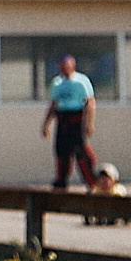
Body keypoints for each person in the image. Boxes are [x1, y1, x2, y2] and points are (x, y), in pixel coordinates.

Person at [43, 54, 101, 190]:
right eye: (61, 67)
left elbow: (90, 103)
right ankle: (61, 182)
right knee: (61, 152)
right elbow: (53, 104)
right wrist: (45, 124)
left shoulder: (81, 81)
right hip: (63, 120)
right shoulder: (57, 83)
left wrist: (88, 123)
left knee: (80, 151)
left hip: (76, 120)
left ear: (72, 66)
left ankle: (91, 182)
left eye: (66, 67)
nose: (63, 69)